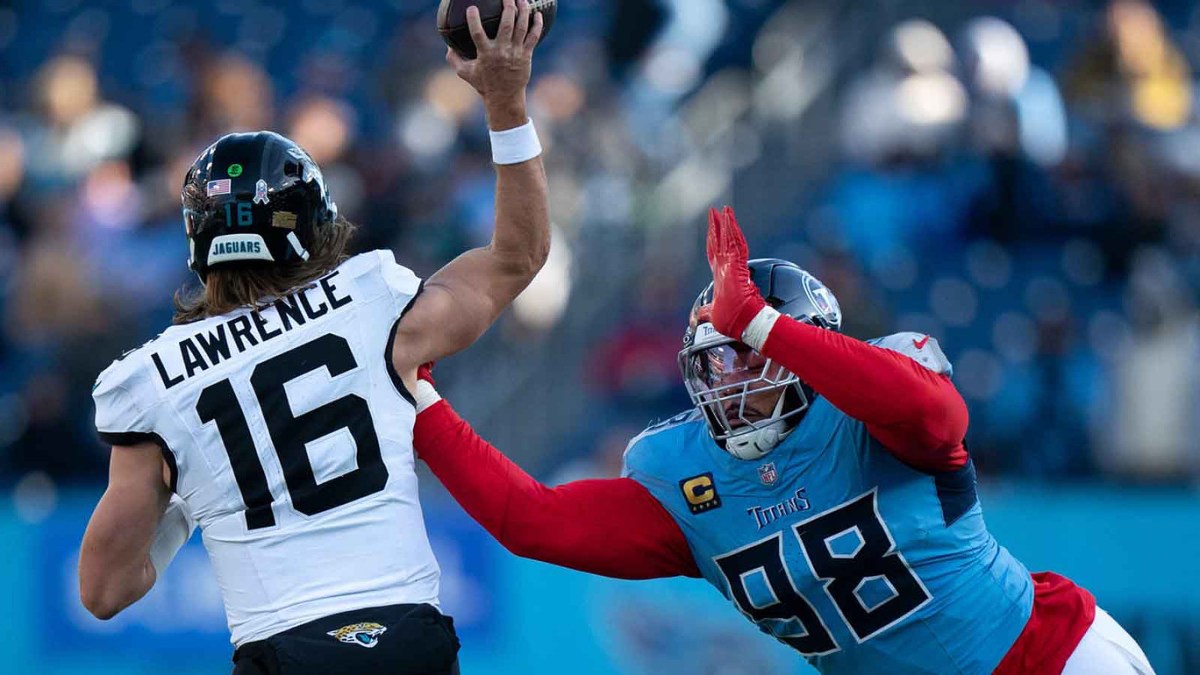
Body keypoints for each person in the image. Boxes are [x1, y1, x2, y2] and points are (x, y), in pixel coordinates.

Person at [410, 206, 1156, 674]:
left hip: (1047, 656)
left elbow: (936, 413)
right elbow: (533, 521)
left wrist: (764, 324)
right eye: (717, 359)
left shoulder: (874, 403)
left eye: (746, 353)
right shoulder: (684, 475)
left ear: (803, 343)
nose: (729, 376)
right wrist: (419, 400)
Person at [77, 3, 547, 674]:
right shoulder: (374, 302)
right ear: (311, 223)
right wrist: (506, 102)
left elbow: (103, 591)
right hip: (407, 639)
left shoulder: (152, 384)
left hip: (284, 651)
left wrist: (184, 500)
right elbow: (518, 256)